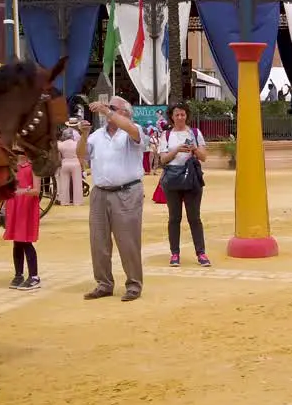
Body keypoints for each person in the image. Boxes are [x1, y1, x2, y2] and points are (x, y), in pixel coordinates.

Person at [85, 96, 148, 301]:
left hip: (127, 192)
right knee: (98, 242)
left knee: (128, 241)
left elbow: (131, 130)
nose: (106, 110)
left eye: (112, 108)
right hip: (100, 192)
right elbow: (82, 157)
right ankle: (103, 283)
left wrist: (106, 111)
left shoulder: (133, 130)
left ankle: (133, 284)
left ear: (125, 113)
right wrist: (82, 134)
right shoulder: (96, 136)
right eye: (107, 107)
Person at [158, 102, 211, 267]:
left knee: (194, 218)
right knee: (174, 218)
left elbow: (203, 157)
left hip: (192, 178)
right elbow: (163, 159)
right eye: (176, 115)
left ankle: (201, 252)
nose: (180, 117)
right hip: (173, 178)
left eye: (182, 114)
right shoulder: (166, 136)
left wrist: (194, 148)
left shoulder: (195, 133)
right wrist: (177, 150)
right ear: (172, 117)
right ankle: (175, 253)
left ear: (187, 115)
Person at [3, 152, 42, 291]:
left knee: (25, 241)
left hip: (27, 207)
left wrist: (23, 191)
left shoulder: (34, 167)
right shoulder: (12, 167)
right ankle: (18, 274)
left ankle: (34, 276)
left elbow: (37, 190)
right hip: (14, 205)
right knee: (17, 242)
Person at [56, 121, 85, 206]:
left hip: (64, 163)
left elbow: (58, 155)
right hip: (75, 163)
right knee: (77, 183)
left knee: (64, 183)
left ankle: (64, 201)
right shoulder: (77, 144)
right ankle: (78, 201)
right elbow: (81, 154)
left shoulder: (60, 144)